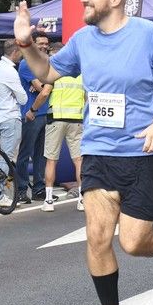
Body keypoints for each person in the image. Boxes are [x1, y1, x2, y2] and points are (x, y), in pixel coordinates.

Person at [13, 0, 153, 305]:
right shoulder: (82, 40)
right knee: (96, 236)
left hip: (147, 151)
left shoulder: (148, 35)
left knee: (132, 242)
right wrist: (27, 43)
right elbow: (47, 71)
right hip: (99, 150)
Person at [42, 43, 85, 212]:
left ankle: (48, 201)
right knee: (79, 160)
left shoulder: (56, 72)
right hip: (77, 119)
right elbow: (87, 97)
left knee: (51, 159)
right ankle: (82, 199)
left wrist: (32, 110)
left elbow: (45, 93)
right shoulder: (80, 74)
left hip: (56, 119)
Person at [16, 33, 52, 203]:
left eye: (46, 43)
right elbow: (41, 88)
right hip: (30, 113)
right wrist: (44, 84)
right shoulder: (26, 63)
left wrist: (43, 85)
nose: (44, 46)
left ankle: (38, 189)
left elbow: (44, 86)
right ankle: (21, 189)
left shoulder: (45, 63)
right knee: (25, 153)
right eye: (40, 43)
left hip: (44, 112)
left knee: (40, 155)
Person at [0, 39, 26, 184]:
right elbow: (22, 98)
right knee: (6, 157)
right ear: (15, 52)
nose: (22, 56)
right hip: (10, 116)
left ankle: (0, 190)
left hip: (0, 116)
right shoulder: (9, 70)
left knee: (4, 155)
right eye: (21, 52)